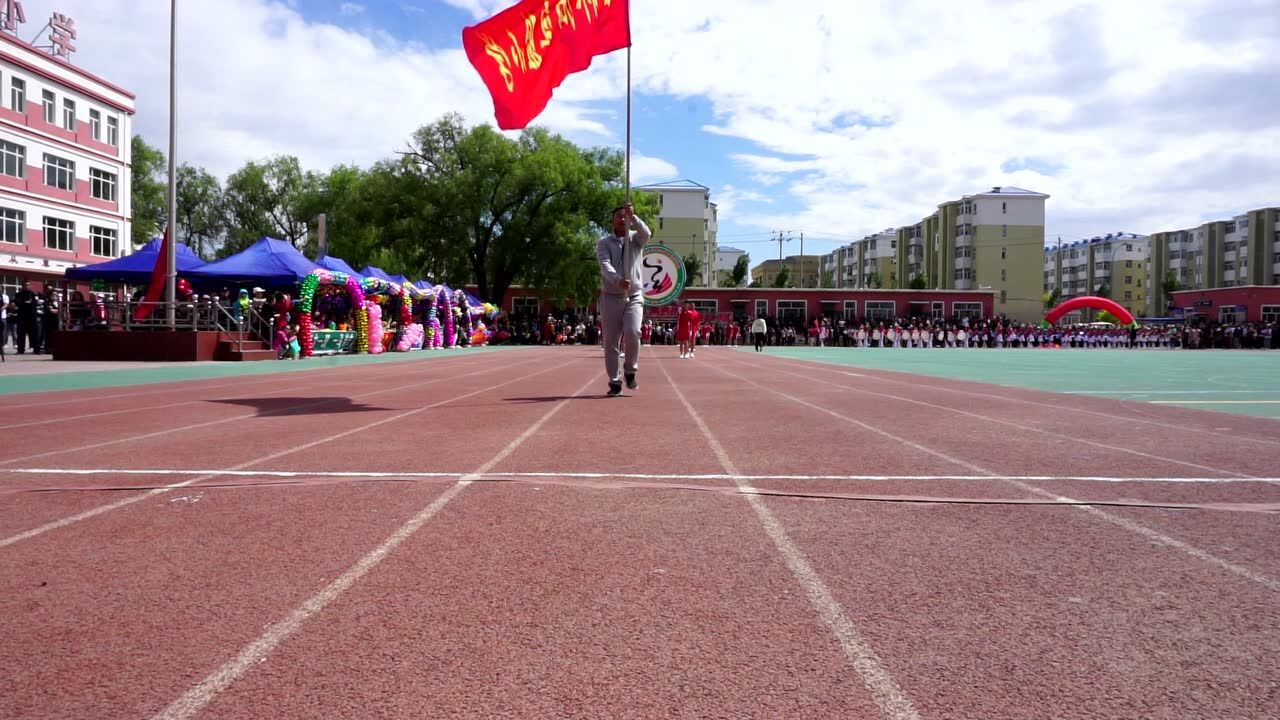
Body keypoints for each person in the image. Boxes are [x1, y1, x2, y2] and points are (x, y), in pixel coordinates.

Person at [595, 202, 650, 396]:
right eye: (618, 215)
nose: (622, 218)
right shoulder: (604, 243)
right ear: (612, 220)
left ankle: (630, 371)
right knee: (611, 340)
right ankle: (614, 381)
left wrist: (634, 217)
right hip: (611, 296)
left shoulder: (636, 239)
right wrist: (618, 281)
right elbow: (605, 265)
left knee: (633, 331)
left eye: (625, 216)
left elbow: (647, 234)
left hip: (634, 295)